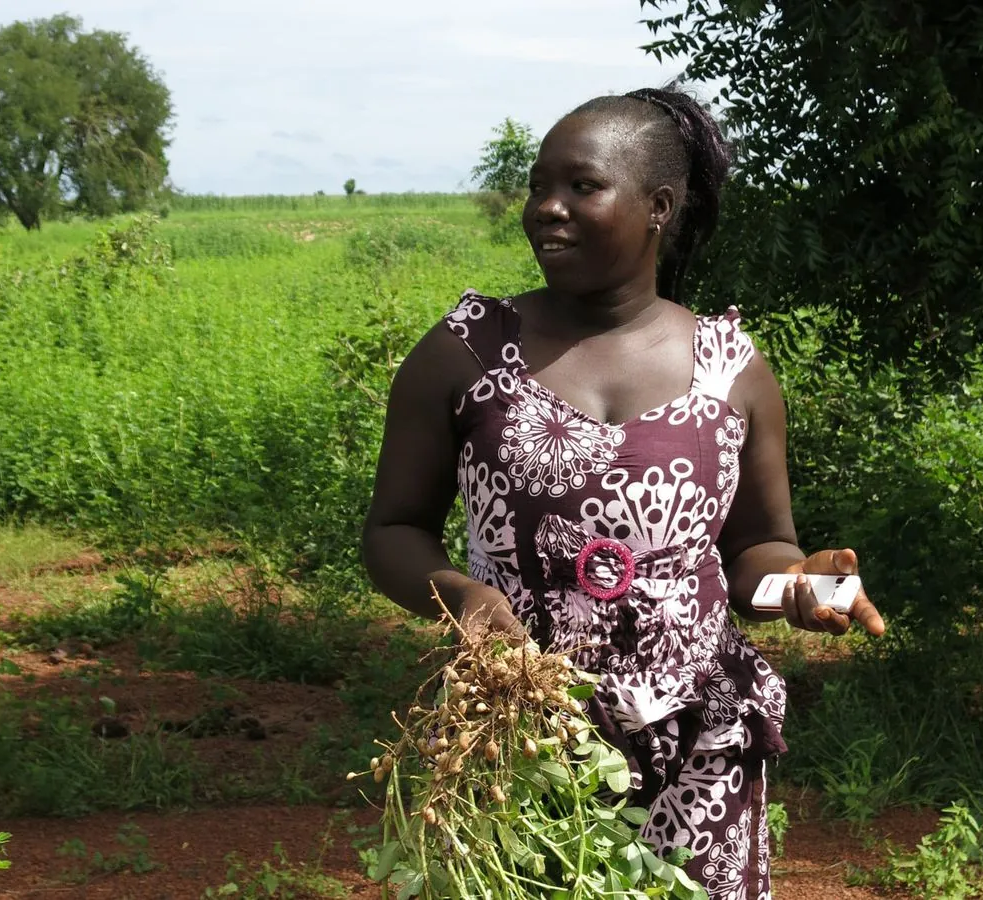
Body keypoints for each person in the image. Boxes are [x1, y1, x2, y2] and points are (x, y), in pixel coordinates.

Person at [362, 86, 886, 900]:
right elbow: (393, 529)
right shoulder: (464, 353)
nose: (547, 209)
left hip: (697, 746)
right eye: (539, 186)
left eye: (581, 187)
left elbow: (756, 552)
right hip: (520, 741)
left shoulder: (731, 370)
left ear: (659, 207)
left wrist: (802, 586)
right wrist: (458, 594)